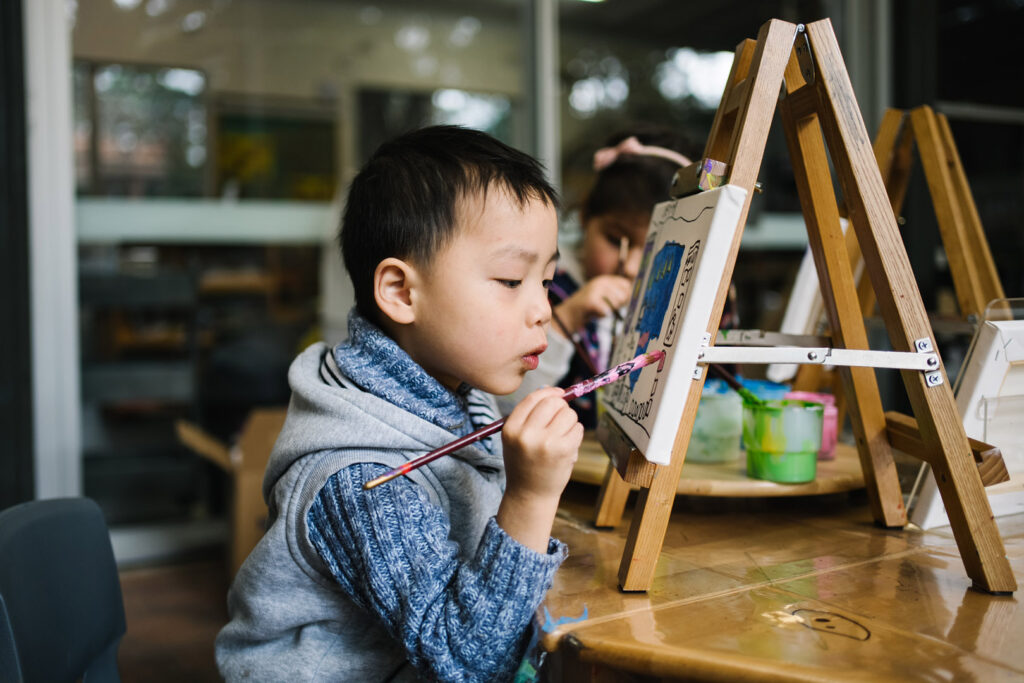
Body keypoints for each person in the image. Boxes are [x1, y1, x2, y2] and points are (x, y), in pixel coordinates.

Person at [215, 125, 583, 682]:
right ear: (401, 292)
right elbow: (466, 664)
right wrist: (530, 497)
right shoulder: (359, 479)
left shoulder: (453, 395)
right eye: (511, 280)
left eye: (547, 282)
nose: (542, 311)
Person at [497, 124, 740, 427]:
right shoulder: (541, 286)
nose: (631, 267)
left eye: (659, 249)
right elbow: (503, 405)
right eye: (616, 240)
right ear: (585, 215)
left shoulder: (697, 295)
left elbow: (721, 398)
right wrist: (567, 319)